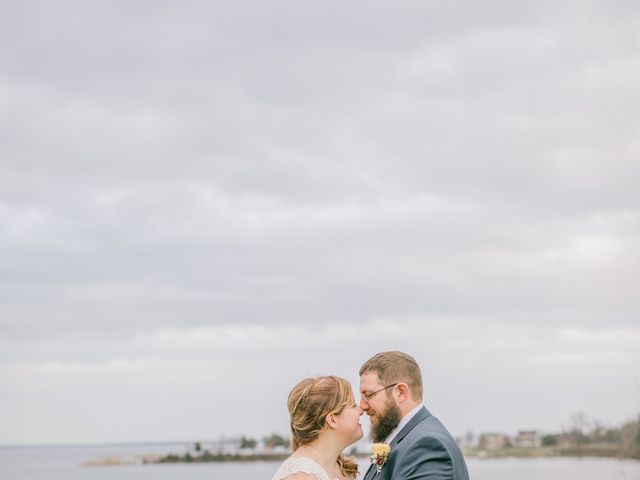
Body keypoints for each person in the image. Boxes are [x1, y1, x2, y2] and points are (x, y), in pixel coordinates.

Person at [359, 351, 469, 480]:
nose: (362, 406)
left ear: (400, 393)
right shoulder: (407, 440)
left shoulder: (427, 446)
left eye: (369, 395)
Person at [271, 375, 364, 480]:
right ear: (332, 420)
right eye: (353, 405)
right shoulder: (301, 476)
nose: (361, 410)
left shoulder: (338, 467)